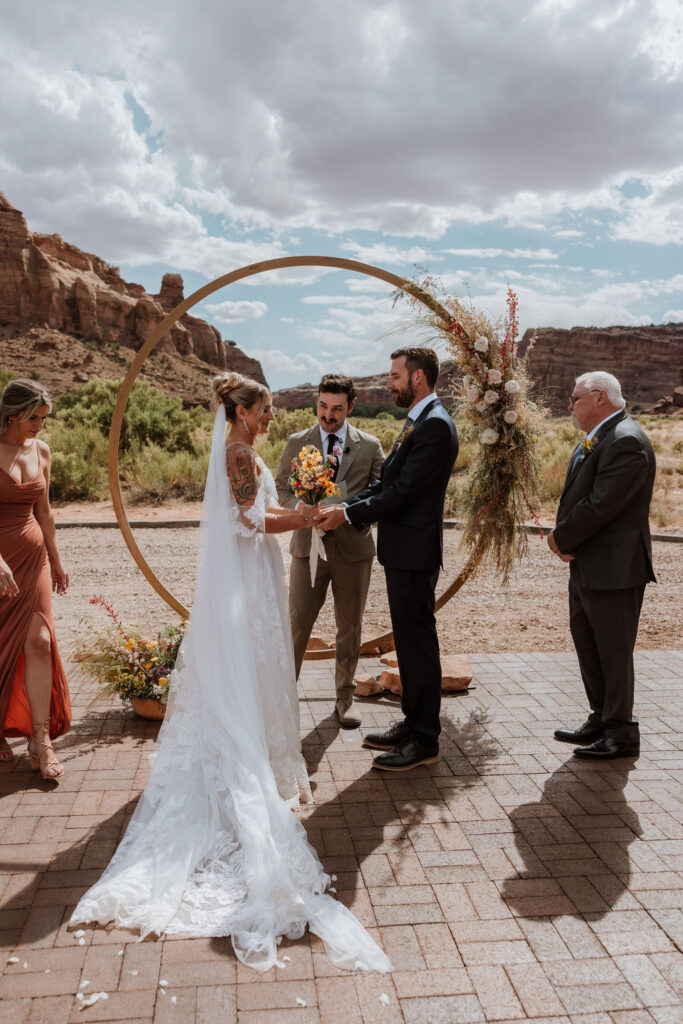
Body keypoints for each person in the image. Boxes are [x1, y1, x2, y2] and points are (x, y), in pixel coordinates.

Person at [71, 372, 391, 975]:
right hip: (247, 579)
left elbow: (251, 513)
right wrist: (304, 519)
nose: (272, 416)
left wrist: (295, 512)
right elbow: (249, 523)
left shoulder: (238, 448)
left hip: (250, 577)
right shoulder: (240, 452)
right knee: (251, 669)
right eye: (265, 408)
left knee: (251, 669)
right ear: (243, 411)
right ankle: (242, 765)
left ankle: (247, 754)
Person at [316, 347, 458, 772]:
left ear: (417, 378)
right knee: (410, 644)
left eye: (395, 375)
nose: (388, 382)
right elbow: (385, 483)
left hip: (414, 554)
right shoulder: (417, 421)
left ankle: (425, 739)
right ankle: (411, 724)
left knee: (419, 646)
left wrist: (345, 513)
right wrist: (343, 507)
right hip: (403, 553)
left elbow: (402, 493)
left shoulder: (434, 426)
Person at [548, 371, 656, 760]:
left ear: (599, 398)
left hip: (615, 567)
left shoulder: (625, 440)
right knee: (588, 643)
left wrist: (560, 538)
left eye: (575, 398)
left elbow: (602, 505)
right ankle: (601, 718)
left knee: (613, 650)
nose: (571, 406)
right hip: (591, 564)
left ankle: (622, 733)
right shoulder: (598, 438)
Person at [275, 374, 384, 728]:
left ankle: (345, 697)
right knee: (296, 624)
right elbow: (280, 488)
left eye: (337, 408)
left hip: (354, 550)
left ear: (350, 407)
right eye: (323, 406)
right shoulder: (297, 442)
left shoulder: (369, 446)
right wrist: (301, 509)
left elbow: (382, 494)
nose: (328, 415)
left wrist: (353, 518)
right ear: (316, 403)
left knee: (349, 628)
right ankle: (282, 700)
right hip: (307, 549)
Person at [0, 379, 71, 779]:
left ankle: (39, 740)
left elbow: (44, 512)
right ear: (13, 414)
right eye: (34, 418)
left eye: (44, 419)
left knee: (40, 641)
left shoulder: (41, 450)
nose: (40, 426)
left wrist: (56, 561)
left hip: (32, 559)